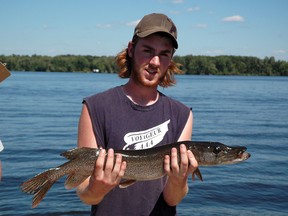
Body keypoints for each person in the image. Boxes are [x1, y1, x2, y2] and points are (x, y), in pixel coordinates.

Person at [76, 13, 199, 215]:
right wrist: (97, 187)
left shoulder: (182, 114)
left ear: (170, 60)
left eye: (164, 54)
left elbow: (173, 198)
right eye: (148, 51)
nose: (155, 62)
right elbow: (86, 195)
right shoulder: (95, 106)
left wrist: (179, 180)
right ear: (132, 49)